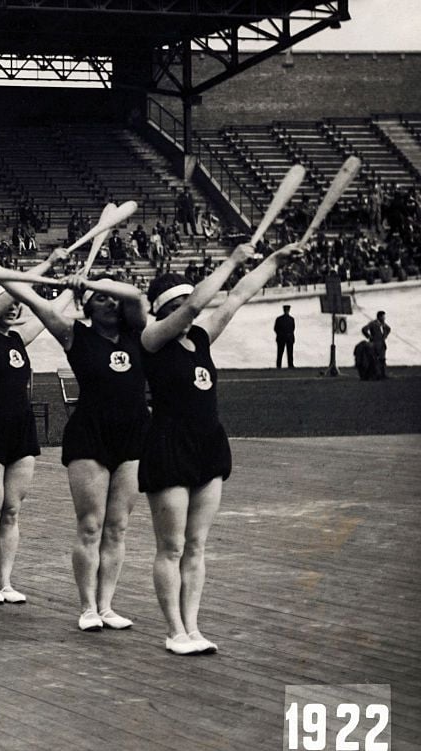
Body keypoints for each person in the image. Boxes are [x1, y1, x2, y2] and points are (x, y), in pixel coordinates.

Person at [140, 241, 299, 655]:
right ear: (163, 310)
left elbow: (239, 295)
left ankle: (192, 626)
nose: (190, 309)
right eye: (176, 303)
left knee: (196, 545)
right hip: (169, 446)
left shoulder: (202, 338)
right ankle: (173, 630)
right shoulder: (152, 339)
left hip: (208, 445)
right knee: (171, 546)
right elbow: (194, 305)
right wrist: (229, 260)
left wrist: (272, 262)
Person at [2, 262, 147, 629]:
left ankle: (108, 605)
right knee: (91, 525)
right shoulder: (73, 335)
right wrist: (64, 283)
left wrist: (94, 282)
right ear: (87, 306)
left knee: (118, 527)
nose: (110, 303)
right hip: (89, 437)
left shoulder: (139, 333)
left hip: (134, 436)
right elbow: (32, 299)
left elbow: (138, 297)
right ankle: (88, 608)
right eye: (100, 298)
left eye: (113, 297)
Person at [0, 249, 74, 605]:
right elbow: (16, 291)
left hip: (20, 430)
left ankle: (7, 581)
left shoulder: (17, 338)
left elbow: (49, 312)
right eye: (5, 301)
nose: (14, 307)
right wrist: (46, 266)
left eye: (16, 303)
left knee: (12, 510)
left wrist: (71, 283)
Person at [362, 311, 391, 379]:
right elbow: (364, 329)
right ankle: (376, 374)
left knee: (382, 359)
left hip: (382, 344)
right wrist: (369, 337)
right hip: (375, 344)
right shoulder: (373, 323)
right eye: (383, 316)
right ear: (380, 316)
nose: (384, 318)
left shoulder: (383, 324)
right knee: (375, 359)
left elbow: (389, 329)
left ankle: (383, 374)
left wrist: (385, 335)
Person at [273, 304, 296, 369]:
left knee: (282, 352)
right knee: (287, 352)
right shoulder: (291, 319)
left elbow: (275, 328)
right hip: (287, 337)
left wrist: (280, 334)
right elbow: (293, 329)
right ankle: (289, 365)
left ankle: (279, 365)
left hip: (282, 338)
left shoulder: (279, 319)